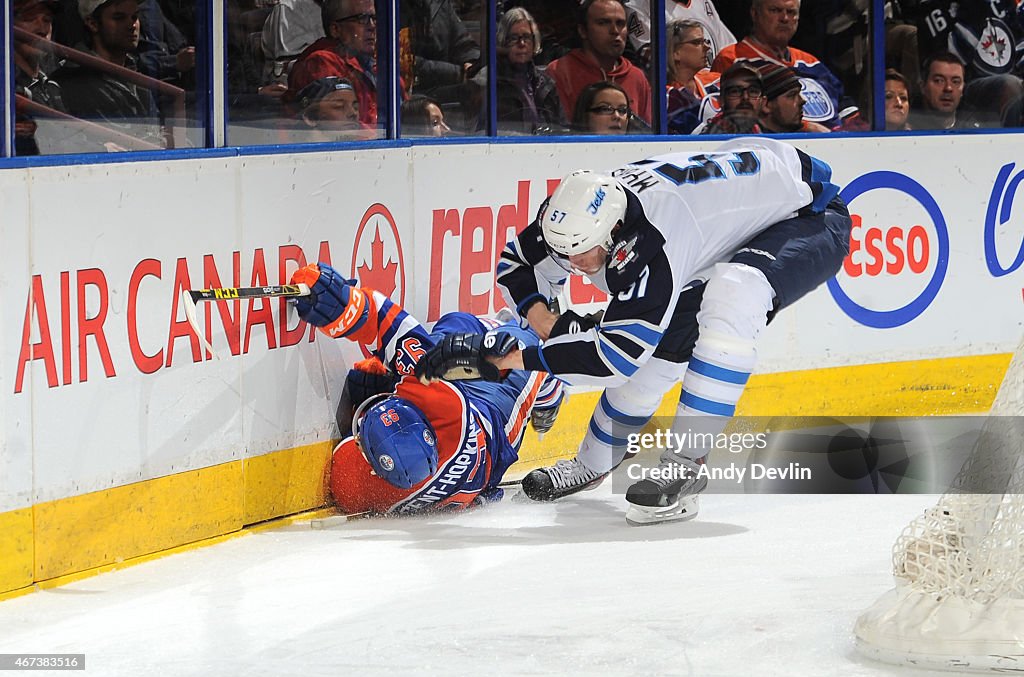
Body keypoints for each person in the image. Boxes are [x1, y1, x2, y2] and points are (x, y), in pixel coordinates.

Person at [416, 136, 852, 526]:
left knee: (733, 297)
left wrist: (517, 358)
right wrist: (542, 321)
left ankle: (686, 463)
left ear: (617, 233)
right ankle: (593, 462)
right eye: (562, 253)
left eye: (582, 254)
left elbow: (613, 358)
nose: (573, 266)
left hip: (808, 217)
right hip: (727, 214)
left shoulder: (654, 247)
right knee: (655, 359)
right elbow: (517, 264)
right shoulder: (575, 214)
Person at [287, 264, 565, 515]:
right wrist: (343, 304)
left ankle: (491, 333)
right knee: (528, 347)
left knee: (453, 324)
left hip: (461, 453)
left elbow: (389, 329)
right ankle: (550, 398)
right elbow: (392, 326)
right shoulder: (445, 408)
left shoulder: (356, 485)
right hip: (490, 425)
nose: (356, 442)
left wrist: (343, 307)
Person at [711, 0, 845, 129]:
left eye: (791, 12)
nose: (785, 18)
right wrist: (804, 127)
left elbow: (844, 104)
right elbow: (730, 115)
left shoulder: (810, 62)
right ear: (755, 13)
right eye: (775, 10)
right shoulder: (733, 59)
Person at [54, 0, 165, 148]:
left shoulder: (136, 74)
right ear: (93, 23)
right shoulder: (73, 79)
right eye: (119, 18)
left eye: (134, 17)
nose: (132, 25)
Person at [545, 0, 652, 128]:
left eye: (620, 23)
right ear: (583, 31)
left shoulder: (637, 77)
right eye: (603, 23)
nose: (615, 31)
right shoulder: (559, 71)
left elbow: (646, 136)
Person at [286, 0, 383, 128]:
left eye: (374, 18)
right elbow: (339, 128)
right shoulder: (321, 63)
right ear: (335, 29)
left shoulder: (372, 63)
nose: (372, 26)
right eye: (363, 19)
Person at [476, 6, 567, 135]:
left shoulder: (546, 84)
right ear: (502, 41)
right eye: (514, 38)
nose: (522, 43)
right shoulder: (489, 82)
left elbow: (562, 129)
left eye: (527, 37)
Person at [13, 0, 68, 155]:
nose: (42, 29)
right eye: (30, 18)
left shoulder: (53, 85)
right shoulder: (7, 91)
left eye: (47, 20)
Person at [665, 19, 720, 135]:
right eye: (696, 42)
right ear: (675, 52)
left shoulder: (718, 81)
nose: (707, 47)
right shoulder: (667, 97)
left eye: (705, 41)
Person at [281, 76, 375, 142]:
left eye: (356, 107)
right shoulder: (280, 147)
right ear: (311, 117)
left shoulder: (372, 143)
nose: (353, 113)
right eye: (339, 106)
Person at [908, 52, 978, 131]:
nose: (948, 88)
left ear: (963, 89)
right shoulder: (907, 128)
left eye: (955, 82)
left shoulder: (976, 125)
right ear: (922, 86)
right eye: (939, 80)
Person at [693, 62, 765, 135]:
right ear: (721, 101)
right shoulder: (706, 140)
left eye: (753, 91)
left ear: (763, 101)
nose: (745, 97)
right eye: (735, 91)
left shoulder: (768, 138)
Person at [757, 63, 830, 133]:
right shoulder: (752, 143)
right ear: (765, 105)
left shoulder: (811, 133)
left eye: (799, 93)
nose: (803, 101)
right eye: (792, 95)